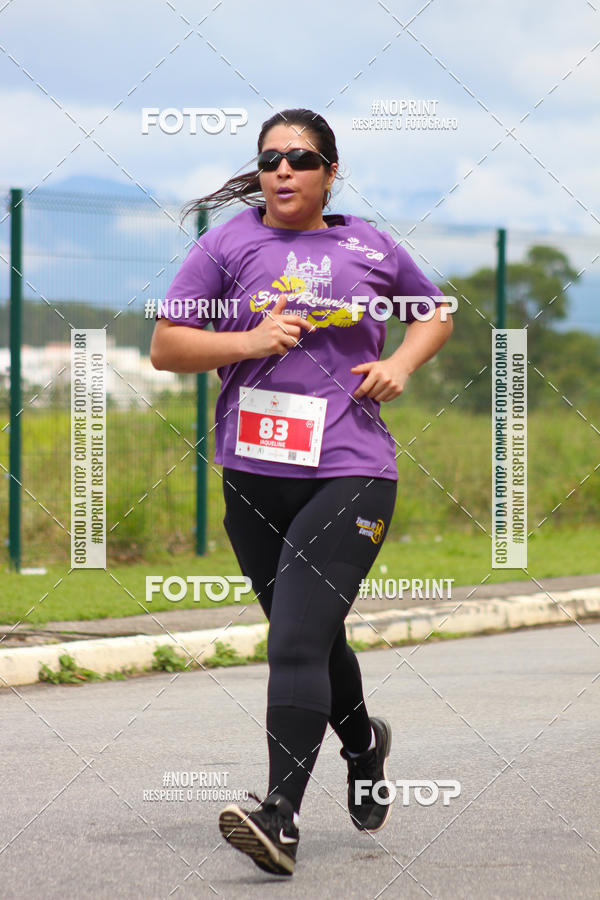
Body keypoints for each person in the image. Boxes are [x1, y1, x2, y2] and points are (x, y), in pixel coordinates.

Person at [151, 108, 453, 877]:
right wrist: (246, 341)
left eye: (301, 158)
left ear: (330, 171)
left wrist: (403, 366)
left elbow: (435, 312)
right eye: (271, 158)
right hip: (253, 473)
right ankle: (363, 744)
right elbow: (167, 347)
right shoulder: (227, 243)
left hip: (349, 471)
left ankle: (278, 816)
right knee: (310, 637)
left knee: (291, 641)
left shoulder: (370, 245)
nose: (283, 170)